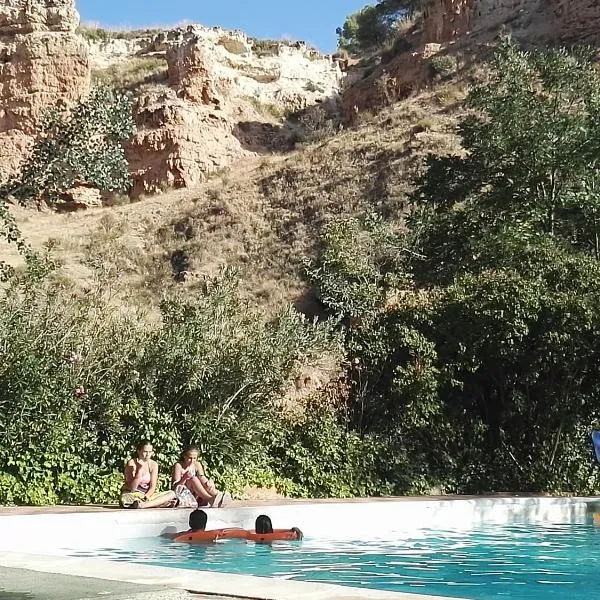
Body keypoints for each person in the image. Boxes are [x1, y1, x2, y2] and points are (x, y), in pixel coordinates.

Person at [120, 440, 177, 509]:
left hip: (147, 495)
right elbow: (132, 488)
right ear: (138, 451)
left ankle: (143, 505)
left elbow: (152, 487)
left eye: (150, 452)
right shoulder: (132, 463)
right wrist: (139, 469)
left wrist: (146, 496)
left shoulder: (153, 464)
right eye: (145, 452)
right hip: (133, 494)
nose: (147, 455)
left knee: (172, 494)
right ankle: (157, 503)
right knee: (125, 498)